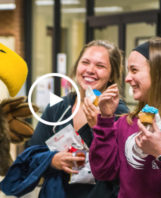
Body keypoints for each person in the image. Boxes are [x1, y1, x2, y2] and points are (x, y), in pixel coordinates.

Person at [88, 37, 161, 198]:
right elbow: (103, 172)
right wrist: (106, 119)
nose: (127, 78)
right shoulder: (125, 123)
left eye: (134, 70)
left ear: (159, 74)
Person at [25, 40, 129, 198]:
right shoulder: (57, 108)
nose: (90, 70)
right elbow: (31, 156)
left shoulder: (119, 114)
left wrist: (99, 127)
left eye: (100, 66)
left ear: (111, 75)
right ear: (76, 66)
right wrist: (53, 160)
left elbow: (120, 171)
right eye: (85, 62)